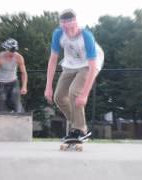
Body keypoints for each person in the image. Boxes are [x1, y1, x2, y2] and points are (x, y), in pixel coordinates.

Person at [44, 9, 104, 141]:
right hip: (70, 63)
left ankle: (81, 130)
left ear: (76, 22)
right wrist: (48, 86)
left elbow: (93, 66)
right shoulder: (58, 33)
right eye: (63, 24)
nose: (66, 28)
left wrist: (85, 95)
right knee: (58, 97)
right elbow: (53, 59)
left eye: (69, 24)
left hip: (89, 64)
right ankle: (78, 127)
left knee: (74, 92)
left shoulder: (86, 36)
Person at [0, 38, 28, 113]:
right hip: (1, 84)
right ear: (6, 49)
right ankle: (2, 121)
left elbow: (24, 73)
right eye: (11, 51)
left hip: (14, 82)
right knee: (1, 106)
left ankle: (21, 120)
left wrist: (24, 86)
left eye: (14, 51)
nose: (12, 53)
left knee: (16, 102)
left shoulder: (19, 57)